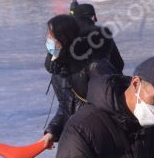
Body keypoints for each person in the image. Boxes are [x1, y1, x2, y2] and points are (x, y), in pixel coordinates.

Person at [42, 14, 116, 149]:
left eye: (51, 35)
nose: (47, 38)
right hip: (79, 134)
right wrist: (53, 130)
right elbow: (67, 105)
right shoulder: (60, 67)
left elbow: (109, 106)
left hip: (101, 136)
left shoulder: (94, 66)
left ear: (64, 38)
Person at [69, 0, 124, 74]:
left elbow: (51, 65)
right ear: (92, 18)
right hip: (99, 82)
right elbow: (118, 64)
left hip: (70, 84)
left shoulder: (66, 35)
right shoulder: (103, 35)